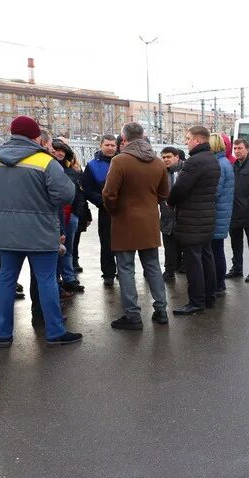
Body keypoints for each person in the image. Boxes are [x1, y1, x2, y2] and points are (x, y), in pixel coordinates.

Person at [0, 116, 81, 346]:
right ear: (36, 136)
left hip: (5, 230)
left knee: (5, 279)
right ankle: (54, 332)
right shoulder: (45, 161)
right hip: (41, 231)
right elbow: (66, 194)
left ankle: (3, 334)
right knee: (46, 280)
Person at [102, 122, 170, 329]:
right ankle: (161, 310)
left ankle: (132, 315)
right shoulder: (158, 163)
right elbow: (164, 194)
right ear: (143, 136)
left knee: (125, 268)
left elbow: (109, 193)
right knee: (153, 266)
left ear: (124, 139)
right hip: (149, 221)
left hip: (124, 221)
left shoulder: (120, 161)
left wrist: (114, 210)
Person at [168, 126, 220, 315]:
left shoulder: (194, 162)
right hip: (206, 218)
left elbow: (179, 190)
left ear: (198, 140)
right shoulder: (212, 160)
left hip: (192, 220)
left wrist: (170, 201)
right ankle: (209, 297)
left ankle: (196, 301)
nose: (186, 142)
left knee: (194, 261)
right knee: (207, 257)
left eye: (188, 138)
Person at [226, 138, 249, 283]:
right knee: (236, 242)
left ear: (247, 150)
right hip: (234, 212)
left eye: (240, 148)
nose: (237, 151)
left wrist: (246, 206)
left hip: (248, 212)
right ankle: (237, 268)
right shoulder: (233, 165)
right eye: (235, 148)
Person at [82, 134, 118, 286]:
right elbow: (86, 188)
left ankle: (125, 271)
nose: (110, 148)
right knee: (107, 243)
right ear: (101, 146)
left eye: (113, 145)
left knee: (126, 243)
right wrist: (101, 201)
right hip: (105, 210)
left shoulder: (124, 162)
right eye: (107, 145)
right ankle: (108, 274)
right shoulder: (92, 166)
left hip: (124, 210)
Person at [52, 139, 86, 294]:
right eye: (56, 149)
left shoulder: (73, 172)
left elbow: (80, 194)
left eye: (62, 150)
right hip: (53, 216)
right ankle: (56, 281)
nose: (59, 153)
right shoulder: (48, 168)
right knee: (54, 250)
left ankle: (69, 278)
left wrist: (76, 214)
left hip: (70, 215)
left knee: (69, 249)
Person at [209, 133, 235, 295]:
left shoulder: (218, 165)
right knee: (217, 249)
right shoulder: (225, 162)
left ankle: (218, 284)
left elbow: (215, 192)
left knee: (215, 250)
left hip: (217, 213)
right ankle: (220, 283)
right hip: (222, 213)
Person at [159, 146, 184, 281]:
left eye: (168, 157)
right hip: (166, 215)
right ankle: (169, 272)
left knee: (184, 246)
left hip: (182, 215)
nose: (166, 160)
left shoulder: (185, 171)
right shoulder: (161, 172)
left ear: (176, 157)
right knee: (168, 246)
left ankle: (184, 267)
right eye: (163, 157)